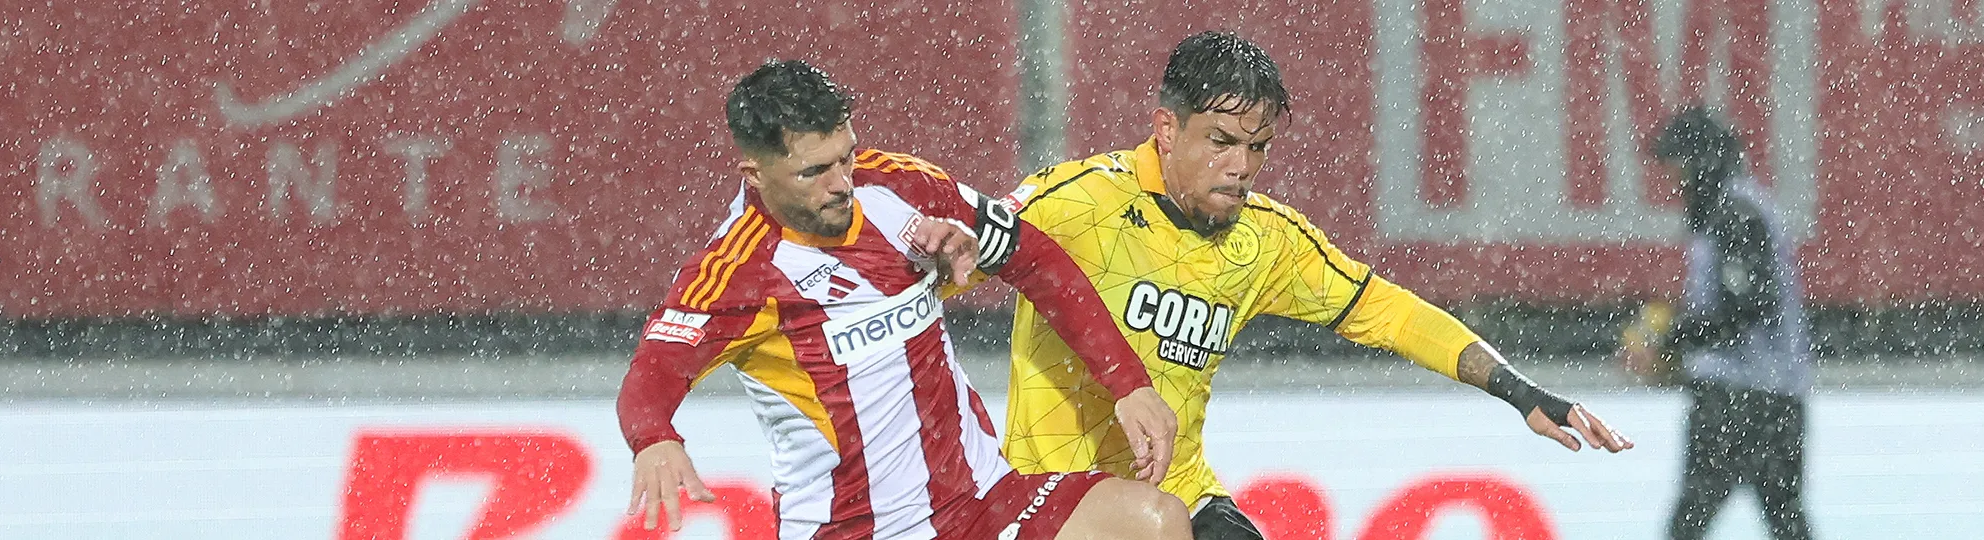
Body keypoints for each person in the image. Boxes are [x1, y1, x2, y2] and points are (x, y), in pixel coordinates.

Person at [994, 32, 1635, 540]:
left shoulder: (1266, 241)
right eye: (1220, 141)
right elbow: (948, 264)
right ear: (1166, 129)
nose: (1241, 167)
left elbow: (1392, 314)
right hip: (1054, 502)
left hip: (1179, 497)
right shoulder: (1074, 203)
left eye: (1258, 147)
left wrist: (1520, 391)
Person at [617, 60, 1192, 540]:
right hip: (855, 529)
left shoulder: (898, 185)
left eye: (845, 156)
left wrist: (1129, 384)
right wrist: (654, 439)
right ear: (755, 174)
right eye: (814, 171)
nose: (842, 182)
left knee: (1156, 522)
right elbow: (651, 376)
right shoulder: (736, 272)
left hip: (983, 503)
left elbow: (1035, 259)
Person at [1622, 106, 1815, 540]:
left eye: (1679, 173)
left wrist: (1669, 341)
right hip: (1776, 399)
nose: (1678, 188)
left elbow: (1743, 307)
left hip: (1738, 399)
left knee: (1690, 523)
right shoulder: (1746, 208)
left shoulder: (1735, 214)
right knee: (1786, 520)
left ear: (1698, 165)